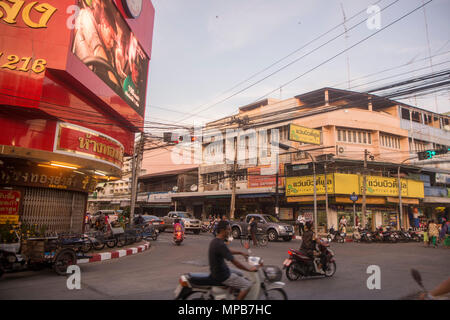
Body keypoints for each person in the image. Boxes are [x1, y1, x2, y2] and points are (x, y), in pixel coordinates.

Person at [209, 220, 258, 300]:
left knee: (240, 273)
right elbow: (236, 263)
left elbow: (227, 251)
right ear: (222, 230)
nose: (230, 231)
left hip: (219, 270)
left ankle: (232, 292)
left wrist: (241, 252)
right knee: (247, 285)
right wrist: (249, 269)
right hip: (222, 275)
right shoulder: (220, 244)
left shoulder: (216, 241)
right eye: (228, 229)